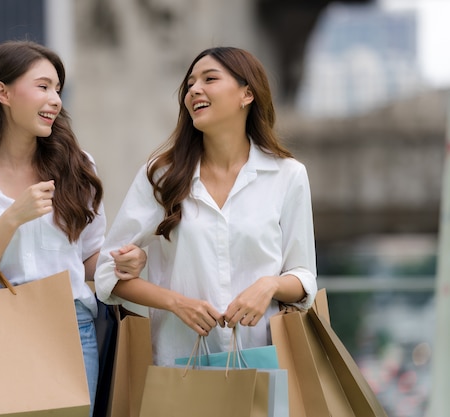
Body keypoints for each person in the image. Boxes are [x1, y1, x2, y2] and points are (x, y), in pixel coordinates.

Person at [0, 40, 145, 416]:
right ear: (3, 92)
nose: (55, 100)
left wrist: (122, 262)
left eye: (58, 90)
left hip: (70, 327)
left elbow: (89, 258)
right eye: (43, 86)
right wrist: (13, 217)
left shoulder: (77, 166)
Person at [94, 46, 317, 366]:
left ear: (247, 95)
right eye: (190, 84)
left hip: (261, 359)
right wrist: (176, 302)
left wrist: (269, 285)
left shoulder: (287, 175)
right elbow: (108, 275)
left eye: (209, 79)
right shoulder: (161, 175)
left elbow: (304, 277)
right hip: (179, 362)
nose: (194, 89)